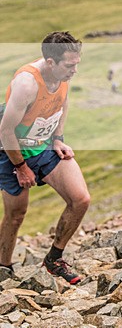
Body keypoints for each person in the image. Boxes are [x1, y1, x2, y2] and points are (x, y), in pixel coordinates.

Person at [0, 32, 90, 285]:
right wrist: (20, 167)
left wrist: (58, 138)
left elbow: (63, 103)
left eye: (77, 64)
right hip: (11, 149)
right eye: (69, 65)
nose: (74, 70)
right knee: (17, 214)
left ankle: (54, 259)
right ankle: (3, 268)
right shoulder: (27, 84)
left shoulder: (63, 75)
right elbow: (5, 131)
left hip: (43, 146)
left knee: (80, 198)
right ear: (50, 62)